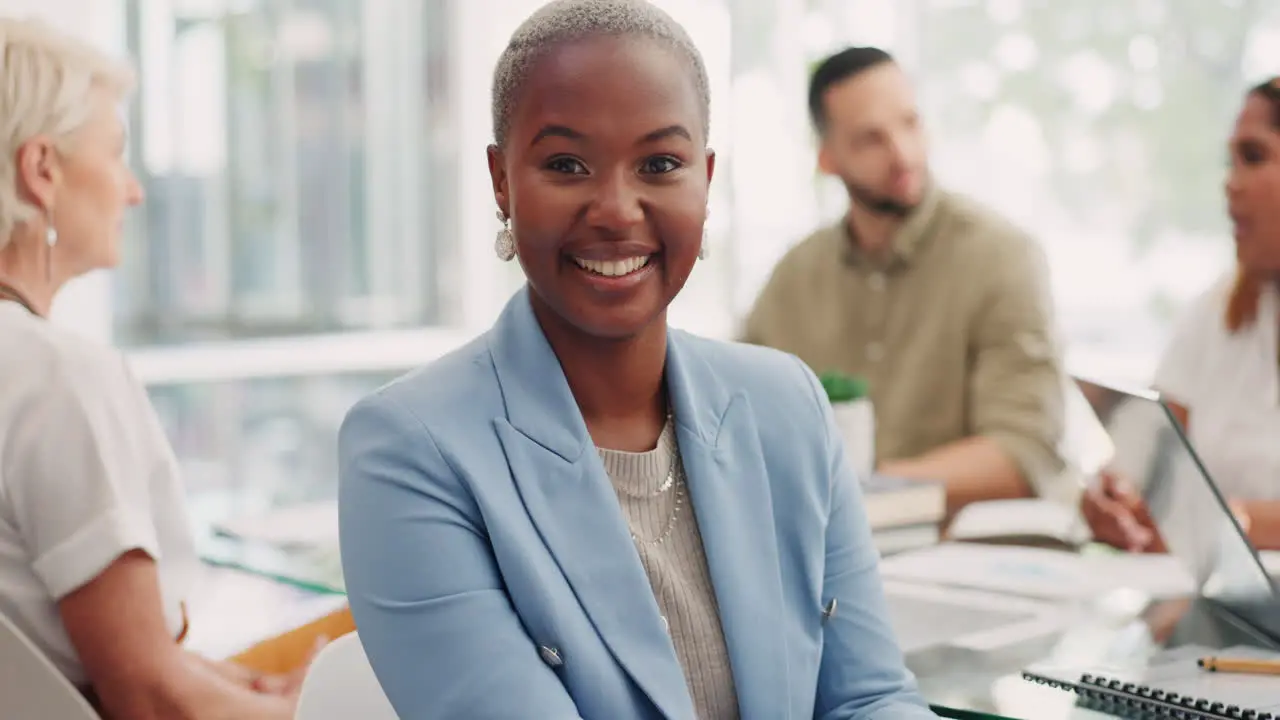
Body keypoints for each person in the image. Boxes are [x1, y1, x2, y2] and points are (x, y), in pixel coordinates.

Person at [338, 2, 936, 718]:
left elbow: (870, 698)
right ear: (502, 182)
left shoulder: (787, 405)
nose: (617, 209)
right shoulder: (410, 451)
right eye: (566, 164)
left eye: (660, 163)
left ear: (705, 180)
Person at [0, 18, 345, 719]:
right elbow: (148, 697)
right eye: (116, 155)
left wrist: (249, 691)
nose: (133, 190)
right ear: (41, 171)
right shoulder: (58, 377)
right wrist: (307, 711)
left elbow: (87, 659)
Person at [741, 47, 1068, 518]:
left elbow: (1024, 453)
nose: (903, 153)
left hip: (967, 561)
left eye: (910, 123)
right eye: (871, 139)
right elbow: (728, 426)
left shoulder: (1003, 257)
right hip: (827, 560)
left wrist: (864, 490)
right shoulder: (793, 278)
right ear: (827, 158)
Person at [1084, 77, 1280, 552]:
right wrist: (1111, 494)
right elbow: (1149, 446)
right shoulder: (1220, 310)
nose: (1230, 183)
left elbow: (1221, 523)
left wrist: (1235, 524)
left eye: (1253, 157)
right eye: (1229, 160)